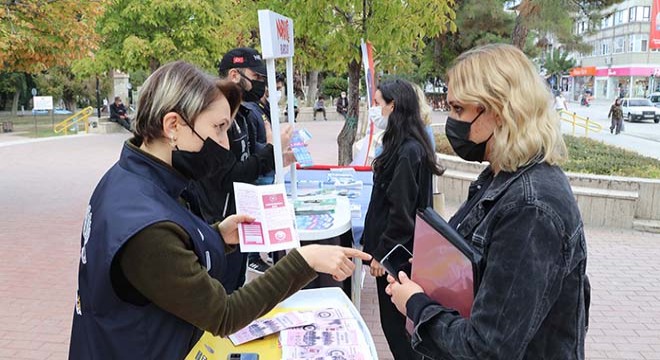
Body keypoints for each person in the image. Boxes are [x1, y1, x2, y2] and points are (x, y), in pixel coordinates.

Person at [68, 61, 371, 359]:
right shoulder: (145, 224)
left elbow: (168, 257)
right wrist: (304, 260)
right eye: (219, 128)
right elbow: (224, 315)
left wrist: (218, 236)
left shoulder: (129, 178)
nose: (225, 145)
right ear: (173, 125)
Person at [385, 44, 590, 359]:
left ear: (499, 109)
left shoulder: (531, 207)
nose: (451, 122)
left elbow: (487, 348)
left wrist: (415, 304)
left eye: (458, 109)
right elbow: (487, 275)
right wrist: (436, 272)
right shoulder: (502, 177)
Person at [361, 79, 445, 359]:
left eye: (377, 104)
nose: (374, 110)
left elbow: (401, 213)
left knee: (399, 330)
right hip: (392, 252)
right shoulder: (400, 144)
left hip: (396, 257)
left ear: (393, 106)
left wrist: (380, 255)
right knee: (396, 328)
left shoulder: (409, 151)